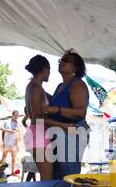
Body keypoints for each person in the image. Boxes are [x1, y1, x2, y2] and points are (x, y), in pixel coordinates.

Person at [38, 49, 90, 179]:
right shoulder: (60, 86)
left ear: (75, 67)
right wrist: (38, 92)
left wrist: (55, 109)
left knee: (69, 176)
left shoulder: (78, 85)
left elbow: (81, 112)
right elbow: (55, 102)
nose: (62, 62)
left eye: (66, 60)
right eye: (61, 60)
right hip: (60, 132)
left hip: (73, 130)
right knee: (58, 175)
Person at [1, 110, 21, 175]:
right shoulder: (6, 122)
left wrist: (4, 129)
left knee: (13, 157)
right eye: (15, 115)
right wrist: (3, 141)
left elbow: (13, 131)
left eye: (17, 115)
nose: (17, 116)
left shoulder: (18, 123)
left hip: (13, 143)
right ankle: (0, 170)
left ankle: (12, 171)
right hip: (6, 142)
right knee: (4, 157)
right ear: (12, 115)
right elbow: (2, 130)